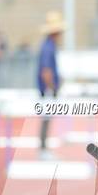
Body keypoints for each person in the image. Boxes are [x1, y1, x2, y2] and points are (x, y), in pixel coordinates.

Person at [36, 11, 66, 160]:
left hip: (47, 89)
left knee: (47, 119)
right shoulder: (48, 47)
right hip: (47, 90)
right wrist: (53, 87)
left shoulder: (49, 45)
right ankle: (43, 150)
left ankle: (43, 149)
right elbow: (46, 72)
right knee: (46, 120)